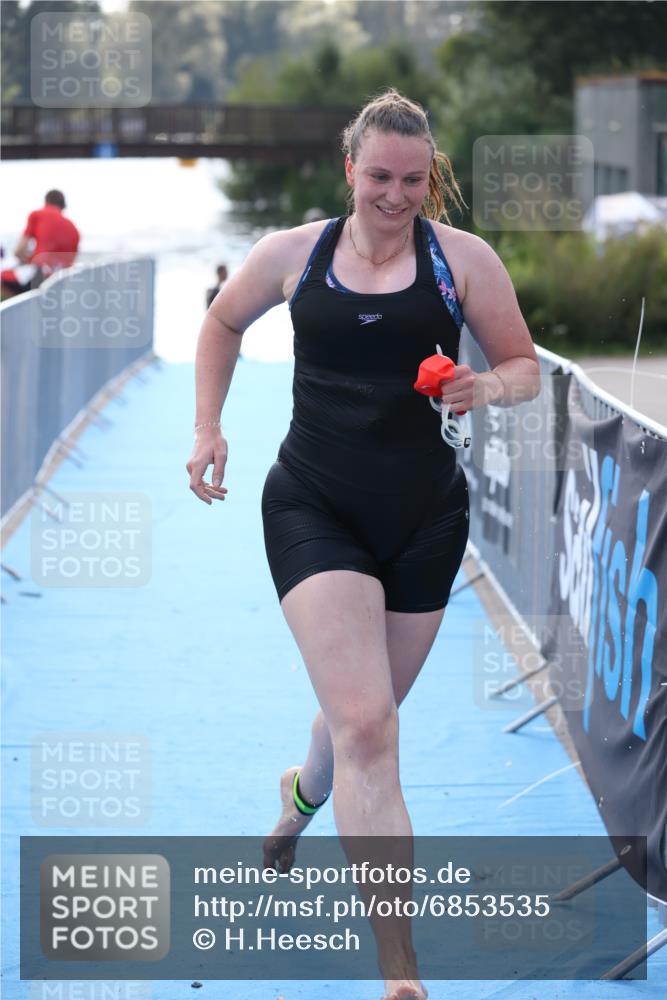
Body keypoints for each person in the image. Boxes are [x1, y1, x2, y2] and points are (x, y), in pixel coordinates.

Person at [186, 89, 540, 1000]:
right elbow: (222, 322)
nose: (394, 195)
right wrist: (207, 427)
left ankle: (296, 802)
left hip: (425, 520)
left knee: (358, 720)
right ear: (349, 168)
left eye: (413, 180)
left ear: (431, 178)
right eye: (378, 176)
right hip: (314, 505)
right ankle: (400, 970)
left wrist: (482, 389)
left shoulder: (463, 261)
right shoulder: (292, 255)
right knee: (370, 728)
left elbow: (524, 367)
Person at [0, 190, 80, 299]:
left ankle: (20, 312)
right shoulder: (74, 228)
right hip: (62, 282)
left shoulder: (37, 215)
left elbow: (18, 251)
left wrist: (26, 260)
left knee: (2, 278)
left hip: (39, 277)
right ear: (63, 206)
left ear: (46, 201)